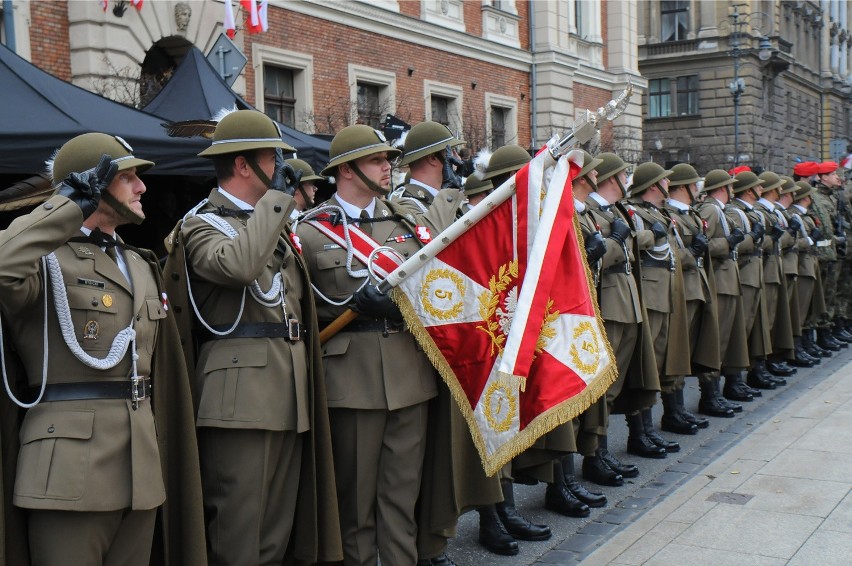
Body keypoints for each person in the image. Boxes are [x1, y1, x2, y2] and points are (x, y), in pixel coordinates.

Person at [0, 133, 205, 565]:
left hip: (140, 469)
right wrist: (68, 205)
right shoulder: (44, 258)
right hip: (68, 473)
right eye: (128, 177)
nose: (142, 187)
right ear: (92, 185)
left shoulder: (139, 263)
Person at [163, 109, 341, 565]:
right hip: (239, 400)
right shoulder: (198, 225)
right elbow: (239, 266)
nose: (283, 166)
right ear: (243, 165)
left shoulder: (272, 222)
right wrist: (278, 199)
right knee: (238, 531)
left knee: (276, 533)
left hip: (287, 389)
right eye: (272, 157)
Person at [296, 124, 445, 565]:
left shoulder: (407, 222)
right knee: (355, 508)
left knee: (402, 502)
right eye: (377, 160)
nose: (388, 168)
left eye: (388, 160)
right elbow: (301, 310)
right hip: (350, 380)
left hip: (408, 374)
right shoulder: (310, 232)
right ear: (346, 170)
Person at [390, 122, 503, 566]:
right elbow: (430, 251)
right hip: (428, 342)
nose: (457, 166)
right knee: (432, 452)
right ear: (435, 159)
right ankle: (430, 544)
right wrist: (452, 200)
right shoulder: (404, 204)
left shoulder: (445, 201)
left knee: (469, 440)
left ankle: (462, 527)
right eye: (451, 157)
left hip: (461, 331)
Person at [623, 162, 690, 458]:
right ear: (654, 185)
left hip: (664, 292)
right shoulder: (635, 212)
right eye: (664, 181)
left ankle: (650, 429)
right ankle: (639, 433)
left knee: (661, 360)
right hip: (649, 294)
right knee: (647, 364)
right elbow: (632, 243)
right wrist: (654, 235)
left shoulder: (658, 214)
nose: (668, 185)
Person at [663, 163, 718, 434]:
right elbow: (672, 252)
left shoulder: (690, 214)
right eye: (694, 184)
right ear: (683, 187)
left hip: (698, 286)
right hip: (682, 288)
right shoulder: (670, 215)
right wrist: (693, 253)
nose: (698, 189)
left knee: (690, 349)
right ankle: (673, 411)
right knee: (677, 353)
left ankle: (680, 409)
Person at [694, 169, 752, 417]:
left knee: (725, 339)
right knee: (715, 341)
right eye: (729, 186)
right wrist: (728, 242)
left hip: (727, 278)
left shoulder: (719, 209)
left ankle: (716, 393)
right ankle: (710, 395)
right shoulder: (711, 209)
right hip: (718, 279)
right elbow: (701, 244)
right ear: (723, 188)